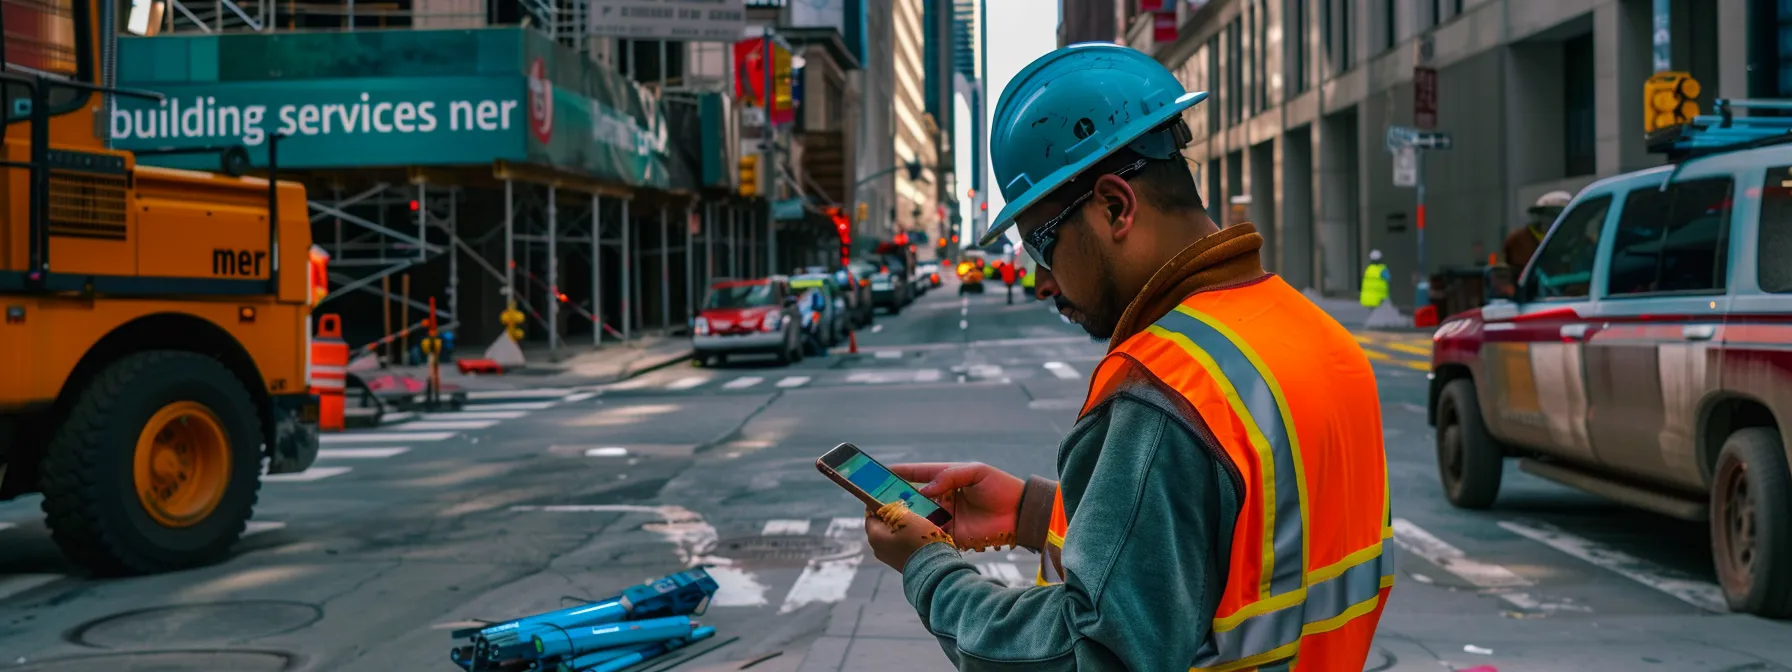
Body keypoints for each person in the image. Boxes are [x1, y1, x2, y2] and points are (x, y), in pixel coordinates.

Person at [860, 43, 1394, 671]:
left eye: (1041, 245)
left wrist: (931, 572)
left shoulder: (1165, 392)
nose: (1040, 282)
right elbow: (1236, 545)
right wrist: (1032, 511)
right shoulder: (1315, 338)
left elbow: (1091, 656)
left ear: (1115, 206)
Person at [1504, 190, 1571, 270]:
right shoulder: (1517, 239)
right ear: (1539, 214)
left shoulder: (1573, 240)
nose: (1555, 219)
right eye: (1551, 213)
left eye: (1562, 214)